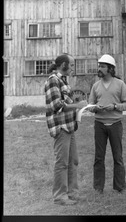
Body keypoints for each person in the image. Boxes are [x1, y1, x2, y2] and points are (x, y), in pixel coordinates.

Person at [44, 54, 88, 206]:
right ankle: (60, 196)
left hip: (70, 126)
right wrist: (77, 106)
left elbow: (67, 103)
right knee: (62, 163)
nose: (73, 68)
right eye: (72, 65)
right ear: (63, 65)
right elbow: (56, 105)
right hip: (61, 127)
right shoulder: (52, 81)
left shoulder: (63, 81)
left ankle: (72, 194)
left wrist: (81, 107)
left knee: (73, 161)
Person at [88, 54, 126, 196]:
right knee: (98, 158)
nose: (99, 68)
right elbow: (90, 106)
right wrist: (96, 108)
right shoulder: (95, 86)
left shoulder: (120, 84)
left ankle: (119, 187)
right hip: (99, 125)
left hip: (115, 125)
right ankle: (98, 187)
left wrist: (115, 107)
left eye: (102, 66)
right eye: (99, 65)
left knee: (117, 157)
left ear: (110, 69)